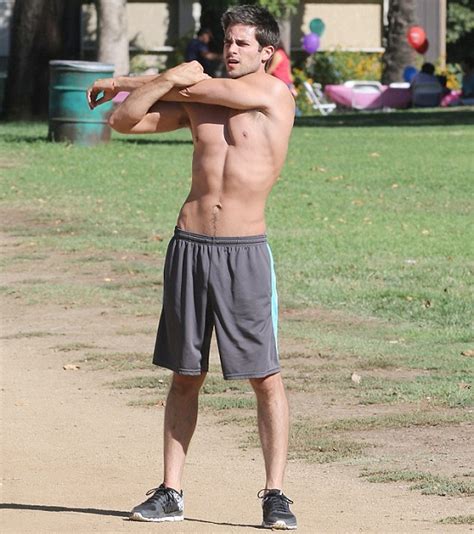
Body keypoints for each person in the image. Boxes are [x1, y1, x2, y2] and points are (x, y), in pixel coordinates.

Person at [87, 4, 297, 531]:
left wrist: (149, 78)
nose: (231, 50)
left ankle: (275, 495)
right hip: (190, 246)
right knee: (186, 373)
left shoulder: (272, 94)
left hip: (244, 252)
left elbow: (197, 87)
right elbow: (124, 121)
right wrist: (135, 84)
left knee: (265, 378)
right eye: (227, 41)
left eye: (243, 43)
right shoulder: (197, 101)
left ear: (267, 53)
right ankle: (170, 490)